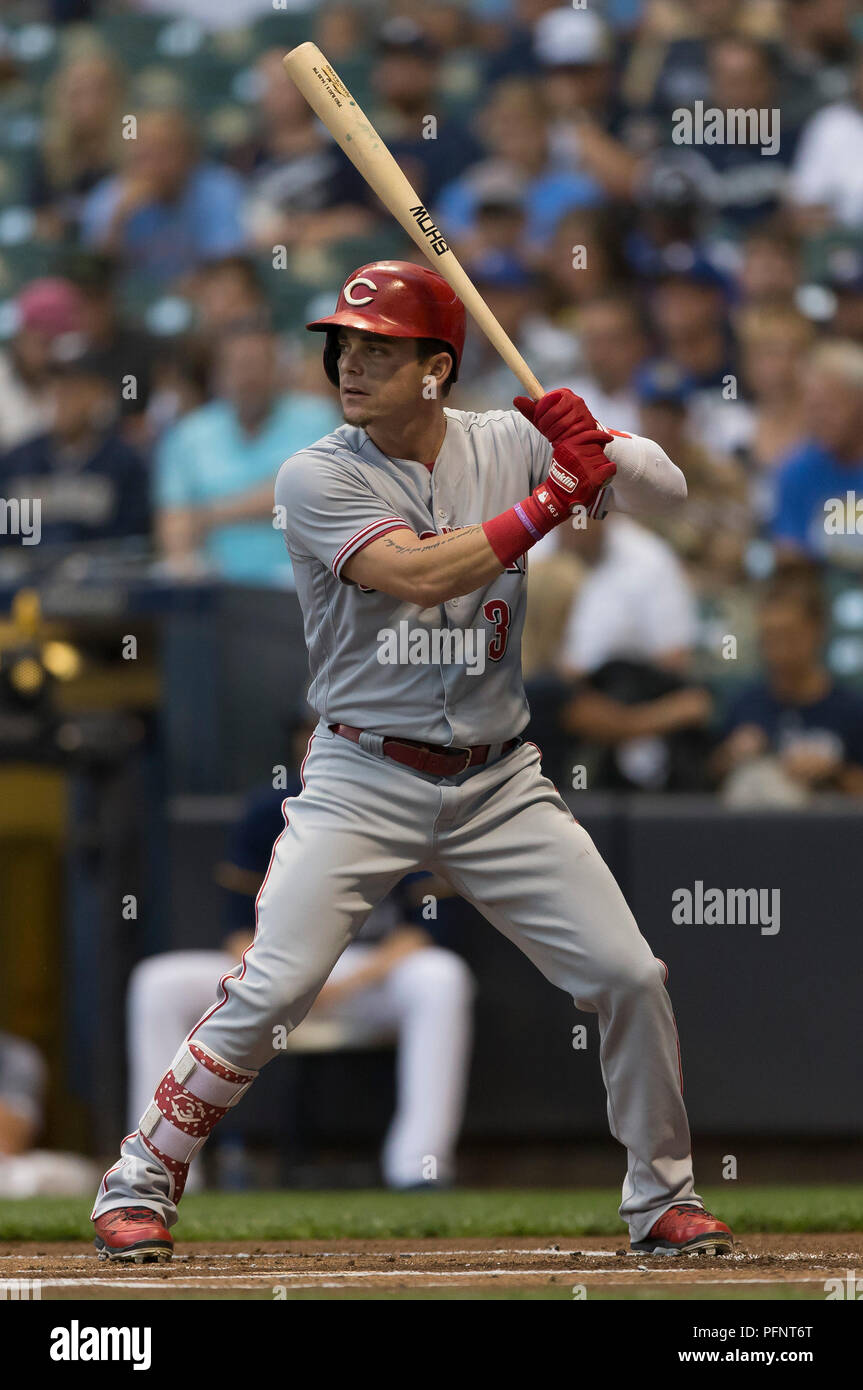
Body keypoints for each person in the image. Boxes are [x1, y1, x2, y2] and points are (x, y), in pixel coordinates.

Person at [92, 259, 731, 1263]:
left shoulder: (510, 441)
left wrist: (599, 443)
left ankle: (660, 1195)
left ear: (435, 368)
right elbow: (417, 573)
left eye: (377, 349)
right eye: (343, 345)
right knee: (271, 987)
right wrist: (553, 496)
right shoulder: (317, 472)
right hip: (362, 772)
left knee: (628, 973)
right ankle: (140, 1174)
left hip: (496, 778)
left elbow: (671, 493)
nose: (349, 363)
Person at [128, 799, 474, 1190]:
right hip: (274, 969)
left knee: (441, 977)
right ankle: (153, 1168)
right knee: (158, 983)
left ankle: (419, 1167)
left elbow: (424, 931)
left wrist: (339, 983)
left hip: (365, 973)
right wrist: (286, 981)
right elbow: (240, 929)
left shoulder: (405, 806)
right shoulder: (269, 811)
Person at [155, 324, 341, 584]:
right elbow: (174, 518)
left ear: (279, 370)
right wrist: (181, 558)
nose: (248, 377)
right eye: (237, 366)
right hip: (217, 588)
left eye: (258, 364)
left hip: (303, 586)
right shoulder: (189, 434)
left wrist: (207, 515)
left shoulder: (318, 419)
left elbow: (298, 496)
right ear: (217, 374)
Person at [712, 573, 863, 801]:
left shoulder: (851, 710)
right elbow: (708, 783)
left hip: (831, 829)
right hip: (754, 828)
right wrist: (731, 755)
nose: (779, 649)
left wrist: (834, 771)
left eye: (789, 636)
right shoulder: (744, 704)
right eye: (770, 637)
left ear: (817, 631)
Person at [0, 347, 150, 549]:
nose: (63, 402)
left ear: (97, 396)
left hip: (103, 575)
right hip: (26, 576)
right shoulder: (17, 460)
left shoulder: (124, 462)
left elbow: (132, 537)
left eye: (74, 392)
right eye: (58, 390)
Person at [81, 109, 247, 286]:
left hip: (203, 299)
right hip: (131, 302)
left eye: (161, 154)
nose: (151, 167)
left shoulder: (221, 190)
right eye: (142, 156)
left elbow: (228, 268)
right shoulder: (107, 199)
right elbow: (96, 280)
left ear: (189, 156)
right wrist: (118, 221)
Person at [770, 340, 863, 568]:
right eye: (813, 408)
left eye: (831, 406)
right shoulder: (795, 471)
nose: (819, 419)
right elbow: (790, 556)